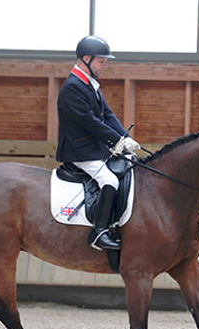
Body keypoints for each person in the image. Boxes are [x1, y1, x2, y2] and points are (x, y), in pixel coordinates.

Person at [56, 35, 140, 251]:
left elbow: (107, 114)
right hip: (80, 151)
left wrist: (125, 137)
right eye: (102, 61)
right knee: (109, 181)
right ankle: (99, 232)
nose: (105, 65)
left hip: (96, 148)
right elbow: (90, 122)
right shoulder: (72, 87)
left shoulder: (89, 83)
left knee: (130, 162)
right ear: (86, 59)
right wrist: (115, 140)